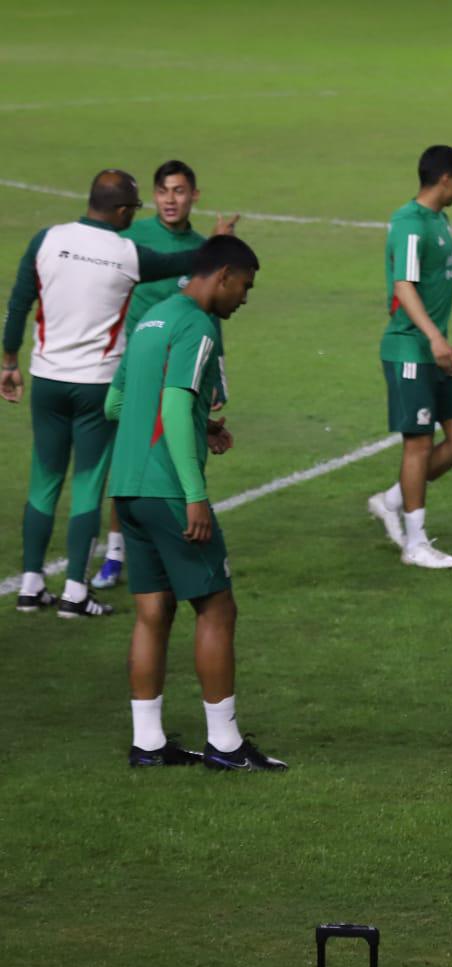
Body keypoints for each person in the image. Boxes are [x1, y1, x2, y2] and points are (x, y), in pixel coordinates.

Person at [2, 169, 233, 617]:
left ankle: (30, 585)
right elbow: (181, 264)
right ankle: (75, 591)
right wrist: (217, 244)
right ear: (124, 211)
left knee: (44, 480)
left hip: (47, 379)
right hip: (96, 385)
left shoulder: (47, 239)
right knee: (88, 485)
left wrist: (9, 361)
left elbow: (17, 303)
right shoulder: (127, 253)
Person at [107, 234, 284, 770]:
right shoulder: (197, 325)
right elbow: (174, 402)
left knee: (152, 612)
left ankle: (148, 743)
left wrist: (199, 423)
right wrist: (195, 496)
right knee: (217, 607)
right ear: (223, 275)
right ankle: (226, 746)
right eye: (244, 286)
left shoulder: (152, 318)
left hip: (127, 488)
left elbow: (117, 404)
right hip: (167, 490)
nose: (244, 298)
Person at [94, 159, 209, 591]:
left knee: (174, 452)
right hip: (135, 366)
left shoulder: (202, 247)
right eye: (163, 191)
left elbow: (211, 317)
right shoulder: (132, 238)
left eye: (178, 191)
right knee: (128, 454)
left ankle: (168, 540)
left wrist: (217, 375)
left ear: (194, 195)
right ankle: (115, 552)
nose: (170, 200)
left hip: (179, 366)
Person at [366, 146, 452, 568]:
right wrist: (433, 338)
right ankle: (415, 545)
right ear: (446, 178)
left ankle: (392, 500)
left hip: (434, 347)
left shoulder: (439, 220)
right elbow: (404, 285)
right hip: (412, 349)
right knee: (419, 444)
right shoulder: (410, 223)